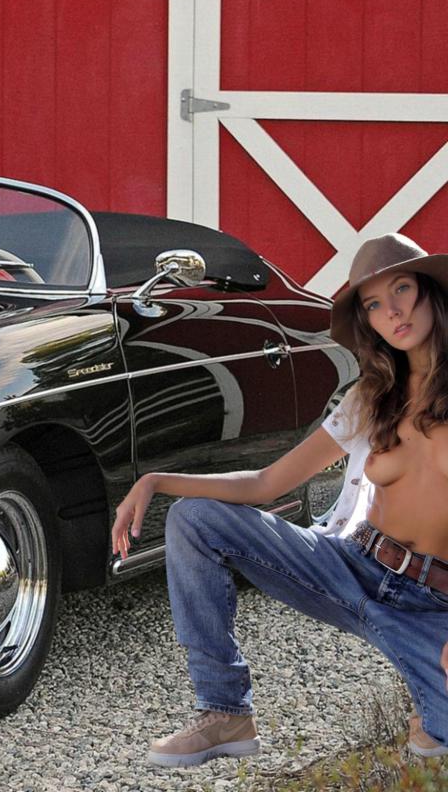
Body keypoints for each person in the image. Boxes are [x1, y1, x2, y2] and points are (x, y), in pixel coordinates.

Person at [111, 232, 448, 768]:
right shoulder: (373, 397)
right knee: (194, 520)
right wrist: (157, 480)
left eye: (402, 289)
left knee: (435, 746)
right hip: (353, 566)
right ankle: (226, 712)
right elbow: (268, 483)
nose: (392, 312)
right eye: (373, 304)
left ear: (430, 289)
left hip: (434, 602)